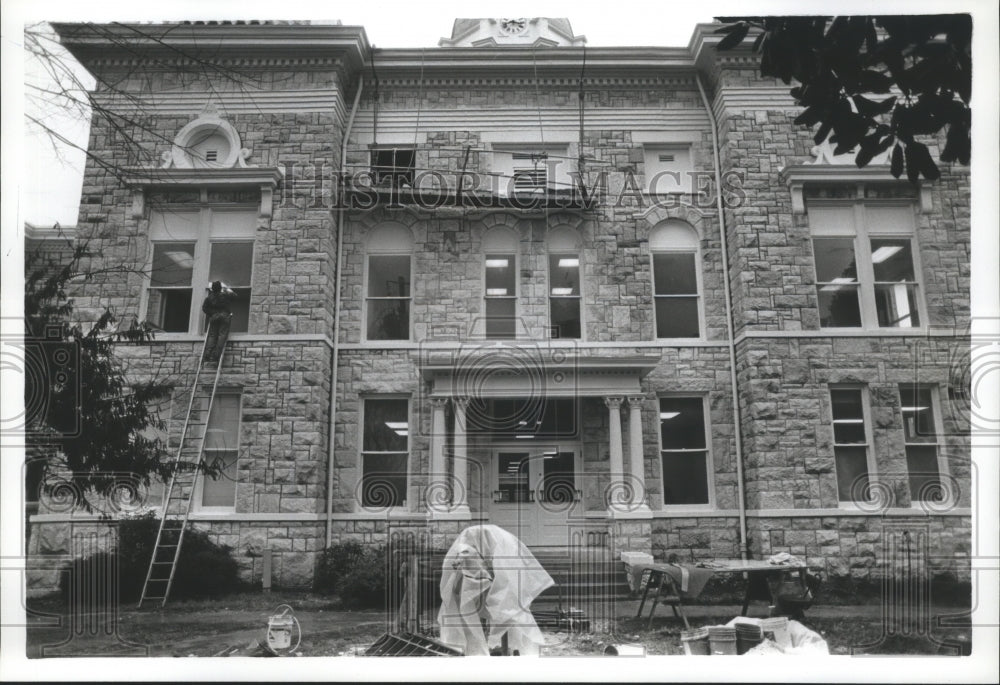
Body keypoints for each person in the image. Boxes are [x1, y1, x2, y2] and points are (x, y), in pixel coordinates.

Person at [202, 280, 234, 363]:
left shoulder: (209, 298)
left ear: (212, 289)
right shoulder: (225, 295)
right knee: (222, 335)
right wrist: (227, 289)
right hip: (224, 316)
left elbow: (204, 308)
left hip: (215, 316)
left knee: (212, 336)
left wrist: (212, 313)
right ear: (220, 288)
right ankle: (216, 356)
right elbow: (234, 295)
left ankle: (208, 354)